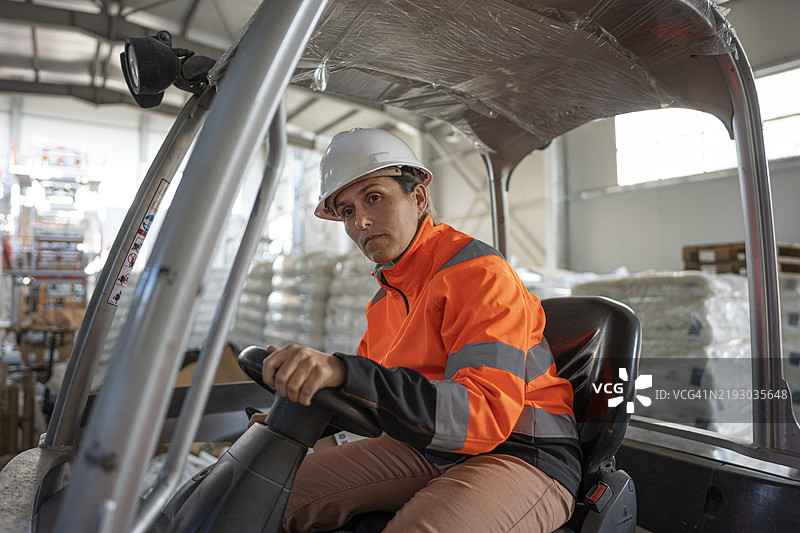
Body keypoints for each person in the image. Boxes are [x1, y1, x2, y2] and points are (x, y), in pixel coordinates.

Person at [258, 128, 581, 532]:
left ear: (418, 197)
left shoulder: (478, 275)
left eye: (374, 197)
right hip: (427, 445)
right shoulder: (383, 303)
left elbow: (483, 416)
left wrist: (347, 371)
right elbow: (374, 401)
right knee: (262, 493)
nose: (360, 221)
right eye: (345, 211)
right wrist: (304, 404)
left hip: (519, 450)